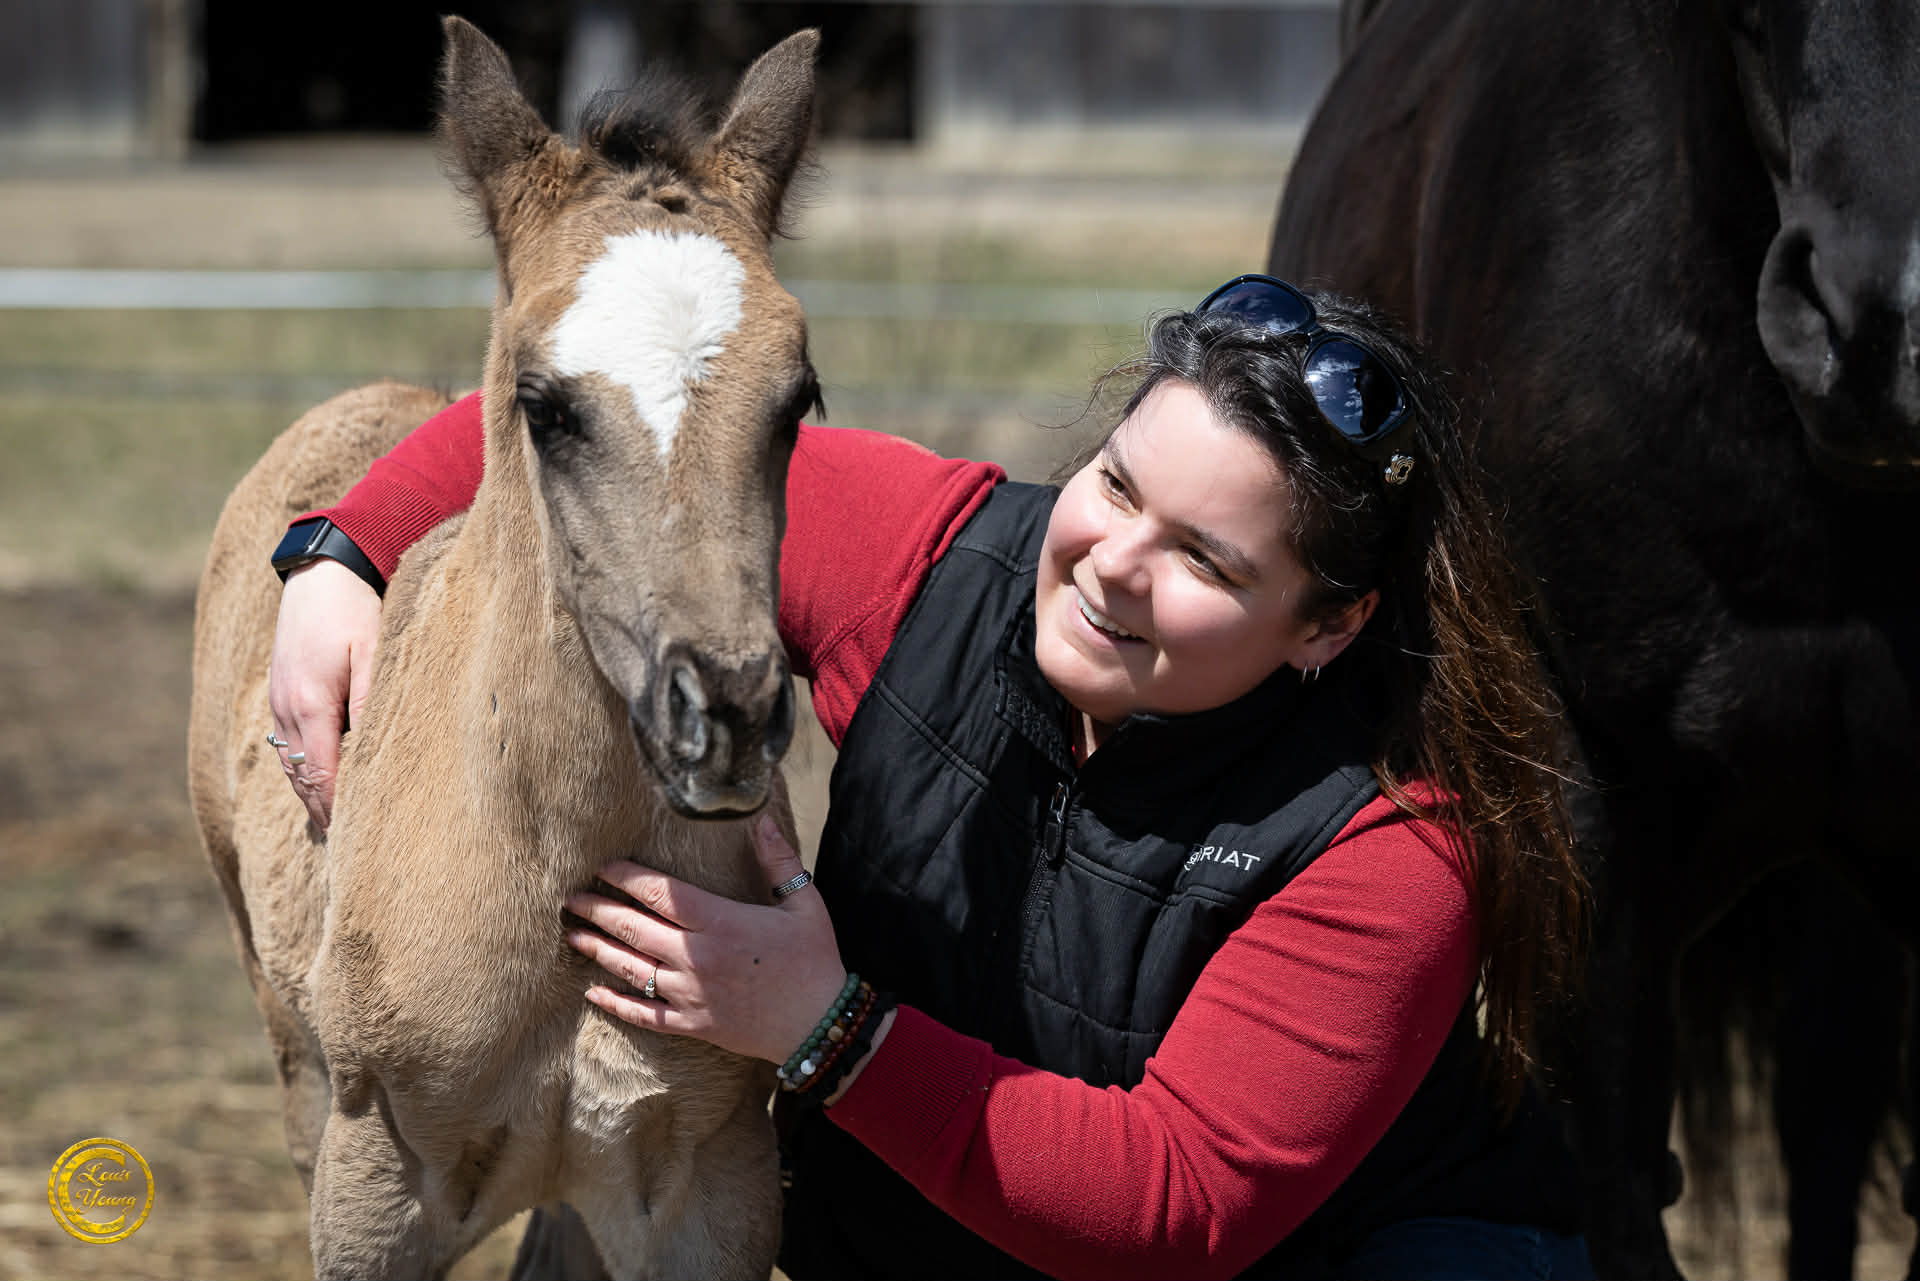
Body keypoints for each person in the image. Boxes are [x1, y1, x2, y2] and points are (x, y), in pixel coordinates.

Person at [265, 275, 1594, 1279]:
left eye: (1205, 559)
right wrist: (340, 555)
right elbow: (605, 439)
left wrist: (824, 1027)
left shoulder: (1389, 842)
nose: (1114, 564)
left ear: (1328, 626)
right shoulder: (933, 560)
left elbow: (1173, 1205)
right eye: (1117, 485)